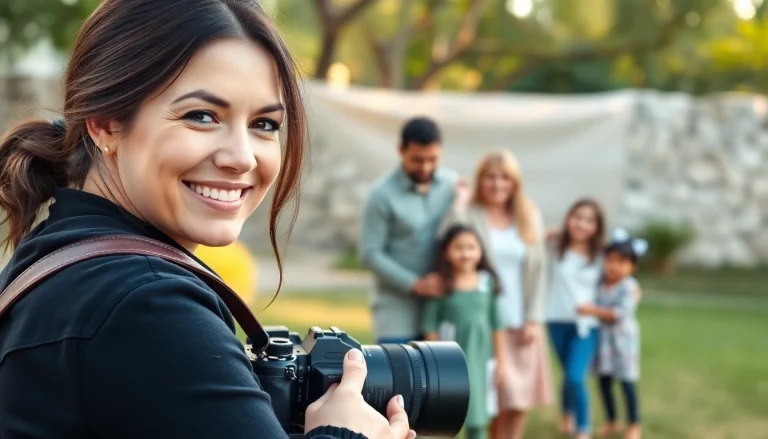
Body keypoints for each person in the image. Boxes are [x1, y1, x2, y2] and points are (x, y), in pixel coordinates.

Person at [0, 1, 414, 439]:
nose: (241, 157)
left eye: (265, 124)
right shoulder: (145, 302)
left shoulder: (57, 258)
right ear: (104, 125)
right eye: (202, 116)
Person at [438, 149, 552, 439]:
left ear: (515, 182)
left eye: (505, 178)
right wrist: (459, 204)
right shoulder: (471, 214)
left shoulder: (529, 215)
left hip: (521, 321)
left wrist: (534, 319)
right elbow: (445, 239)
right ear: (480, 180)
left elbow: (539, 271)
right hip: (486, 323)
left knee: (519, 400)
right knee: (495, 400)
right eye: (490, 177)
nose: (497, 184)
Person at [359, 116, 458, 344]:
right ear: (400, 150)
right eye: (417, 160)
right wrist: (415, 284)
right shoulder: (380, 195)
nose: (426, 167)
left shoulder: (453, 186)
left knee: (442, 378)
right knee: (398, 376)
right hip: (396, 310)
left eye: (432, 159)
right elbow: (370, 254)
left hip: (443, 305)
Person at [421, 224, 504, 439]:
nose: (465, 253)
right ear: (446, 252)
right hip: (451, 359)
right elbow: (430, 325)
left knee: (478, 416)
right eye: (459, 248)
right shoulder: (441, 284)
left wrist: (502, 362)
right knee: (450, 415)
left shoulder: (487, 283)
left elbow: (497, 324)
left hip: (481, 358)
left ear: (480, 251)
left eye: (471, 247)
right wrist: (435, 361)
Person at [544, 198, 606, 439]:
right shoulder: (555, 246)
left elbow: (619, 278)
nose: (581, 224)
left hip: (587, 325)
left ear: (597, 227)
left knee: (575, 375)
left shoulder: (601, 255)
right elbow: (531, 237)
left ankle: (583, 428)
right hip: (556, 320)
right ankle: (566, 411)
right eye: (577, 217)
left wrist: (633, 291)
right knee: (568, 375)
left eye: (589, 220)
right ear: (568, 219)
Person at [577, 228, 646, 439]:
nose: (614, 266)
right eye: (610, 260)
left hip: (623, 341)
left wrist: (593, 310)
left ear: (632, 267)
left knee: (626, 383)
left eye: (621, 262)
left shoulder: (629, 287)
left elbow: (619, 314)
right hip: (603, 342)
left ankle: (634, 424)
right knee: (604, 382)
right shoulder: (599, 283)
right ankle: (612, 420)